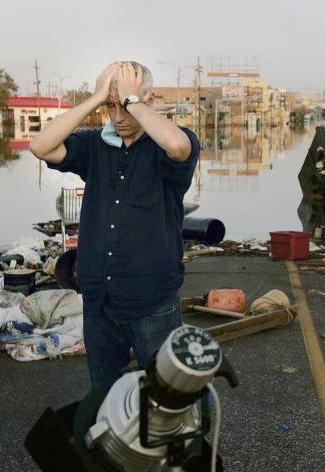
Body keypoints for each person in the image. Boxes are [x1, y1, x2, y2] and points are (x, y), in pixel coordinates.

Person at [29, 61, 200, 391]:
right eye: (111, 107)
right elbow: (40, 147)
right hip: (100, 301)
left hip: (152, 301)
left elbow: (179, 148)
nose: (119, 117)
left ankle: (168, 443)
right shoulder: (95, 145)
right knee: (107, 394)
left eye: (126, 106)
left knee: (169, 394)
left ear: (147, 99)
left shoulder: (168, 143)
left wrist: (131, 99)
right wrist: (96, 98)